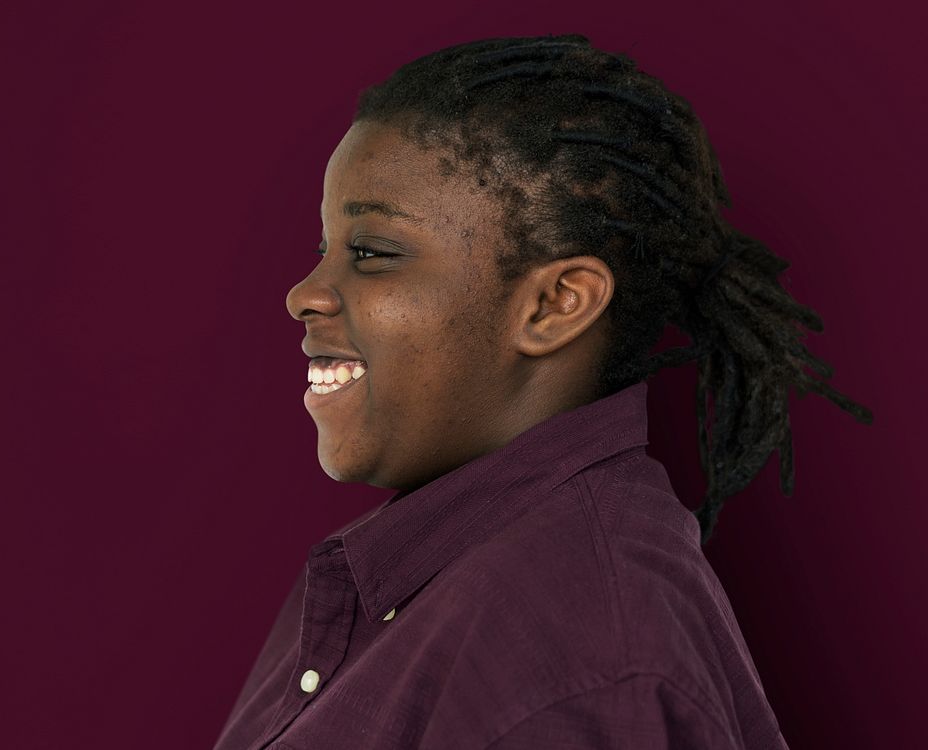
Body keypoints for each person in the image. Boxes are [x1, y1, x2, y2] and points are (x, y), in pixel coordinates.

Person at [213, 34, 872, 749]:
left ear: (556, 303)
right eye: (324, 251)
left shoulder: (590, 665)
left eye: (372, 253)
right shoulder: (404, 576)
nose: (303, 295)